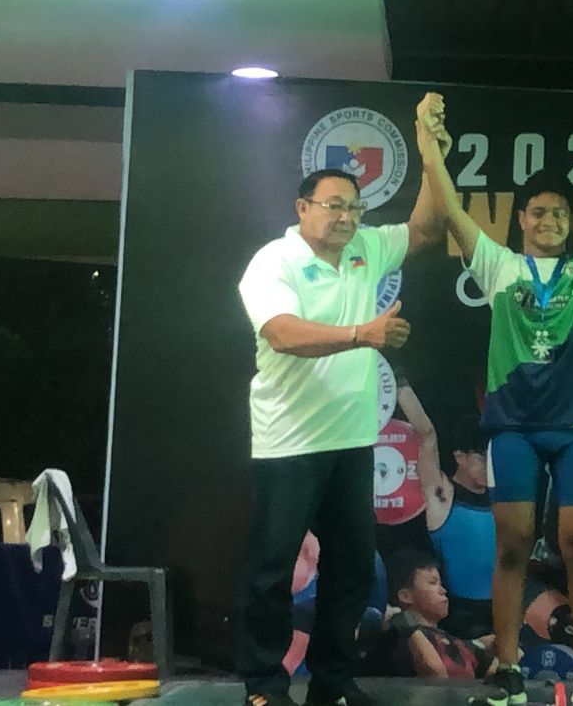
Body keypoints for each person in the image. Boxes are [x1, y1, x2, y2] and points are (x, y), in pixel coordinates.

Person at [416, 95, 573, 706]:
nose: (548, 221)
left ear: (569, 223)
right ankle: (506, 664)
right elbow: (447, 211)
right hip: (515, 430)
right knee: (514, 544)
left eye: (559, 214)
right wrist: (427, 144)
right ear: (520, 219)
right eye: (538, 213)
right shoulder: (499, 267)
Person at [235, 95, 448, 706]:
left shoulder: (366, 249)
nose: (346, 216)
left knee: (353, 569)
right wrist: (363, 334)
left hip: (354, 441)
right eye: (333, 206)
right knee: (272, 570)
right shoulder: (274, 262)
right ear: (302, 208)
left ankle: (331, 680)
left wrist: (427, 148)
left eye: (354, 207)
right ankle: (263, 683)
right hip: (289, 442)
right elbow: (281, 333)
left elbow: (428, 228)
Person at [398, 379, 495, 640]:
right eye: (481, 457)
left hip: (503, 610)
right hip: (459, 616)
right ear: (459, 456)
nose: (488, 465)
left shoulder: (503, 496)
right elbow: (426, 433)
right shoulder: (442, 494)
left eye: (491, 457)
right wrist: (399, 382)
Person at [364, 549, 494, 680]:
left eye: (441, 584)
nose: (443, 591)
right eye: (433, 583)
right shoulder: (397, 635)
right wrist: (405, 623)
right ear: (405, 595)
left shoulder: (457, 643)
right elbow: (436, 674)